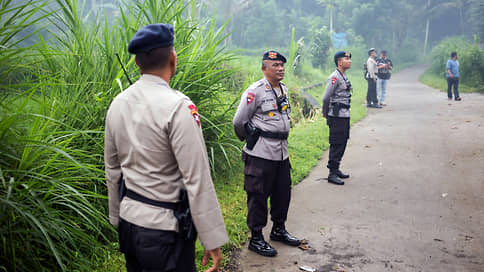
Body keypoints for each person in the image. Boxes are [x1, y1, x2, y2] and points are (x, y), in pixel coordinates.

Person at [105, 23, 228, 272]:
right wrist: (212, 238)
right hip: (165, 233)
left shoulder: (117, 104)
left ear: (137, 63)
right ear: (173, 58)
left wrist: (116, 217)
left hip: (130, 226)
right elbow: (197, 178)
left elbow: (112, 170)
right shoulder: (178, 107)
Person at [233, 51, 301, 257]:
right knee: (258, 196)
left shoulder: (283, 90)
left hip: (281, 153)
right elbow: (239, 122)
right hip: (260, 153)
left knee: (282, 194)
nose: (280, 68)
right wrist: (251, 139)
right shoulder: (255, 91)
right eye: (275, 65)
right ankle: (256, 238)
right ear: (264, 68)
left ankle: (278, 230)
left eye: (282, 65)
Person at [322, 51, 353, 186]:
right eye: (346, 59)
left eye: (349, 58)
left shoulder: (343, 76)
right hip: (336, 116)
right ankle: (332, 173)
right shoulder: (334, 77)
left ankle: (336, 168)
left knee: (343, 141)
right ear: (339, 62)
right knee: (336, 143)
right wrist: (326, 113)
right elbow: (325, 97)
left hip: (344, 115)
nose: (349, 61)